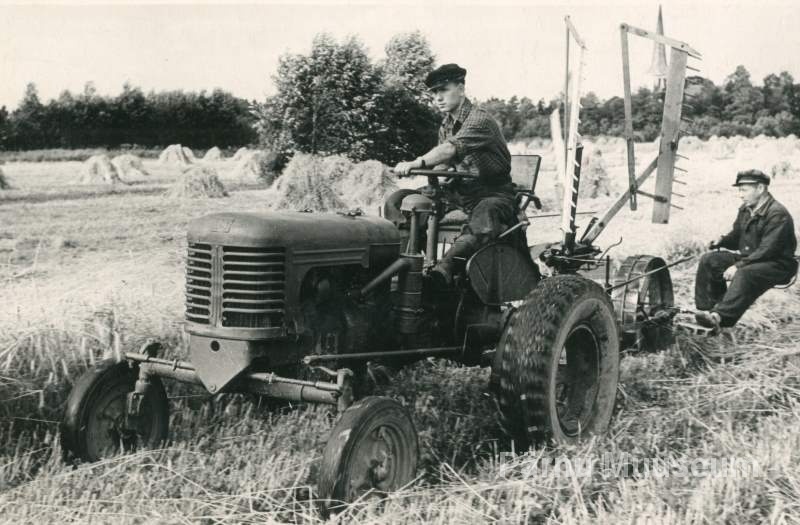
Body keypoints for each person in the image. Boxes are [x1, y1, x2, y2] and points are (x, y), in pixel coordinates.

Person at [387, 63, 522, 287]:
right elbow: (446, 163)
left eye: (444, 90)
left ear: (461, 88)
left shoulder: (480, 120)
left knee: (485, 215)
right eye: (434, 93)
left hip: (492, 192)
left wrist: (416, 162)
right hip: (458, 190)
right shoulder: (446, 124)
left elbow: (450, 149)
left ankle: (442, 273)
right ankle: (403, 265)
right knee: (399, 200)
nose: (438, 98)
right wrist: (431, 175)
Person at [694, 169, 797, 331]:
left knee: (744, 273)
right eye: (739, 190)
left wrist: (738, 266)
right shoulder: (745, 209)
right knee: (710, 260)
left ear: (761, 189)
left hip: (778, 264)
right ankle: (706, 311)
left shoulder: (778, 214)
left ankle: (720, 317)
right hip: (752, 259)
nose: (740, 195)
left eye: (744, 190)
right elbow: (737, 238)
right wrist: (721, 241)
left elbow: (768, 250)